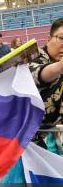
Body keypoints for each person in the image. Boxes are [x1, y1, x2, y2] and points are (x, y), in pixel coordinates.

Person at [28, 17, 63, 151]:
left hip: (56, 136)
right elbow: (38, 74)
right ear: (48, 40)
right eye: (61, 38)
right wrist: (59, 67)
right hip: (28, 143)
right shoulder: (30, 58)